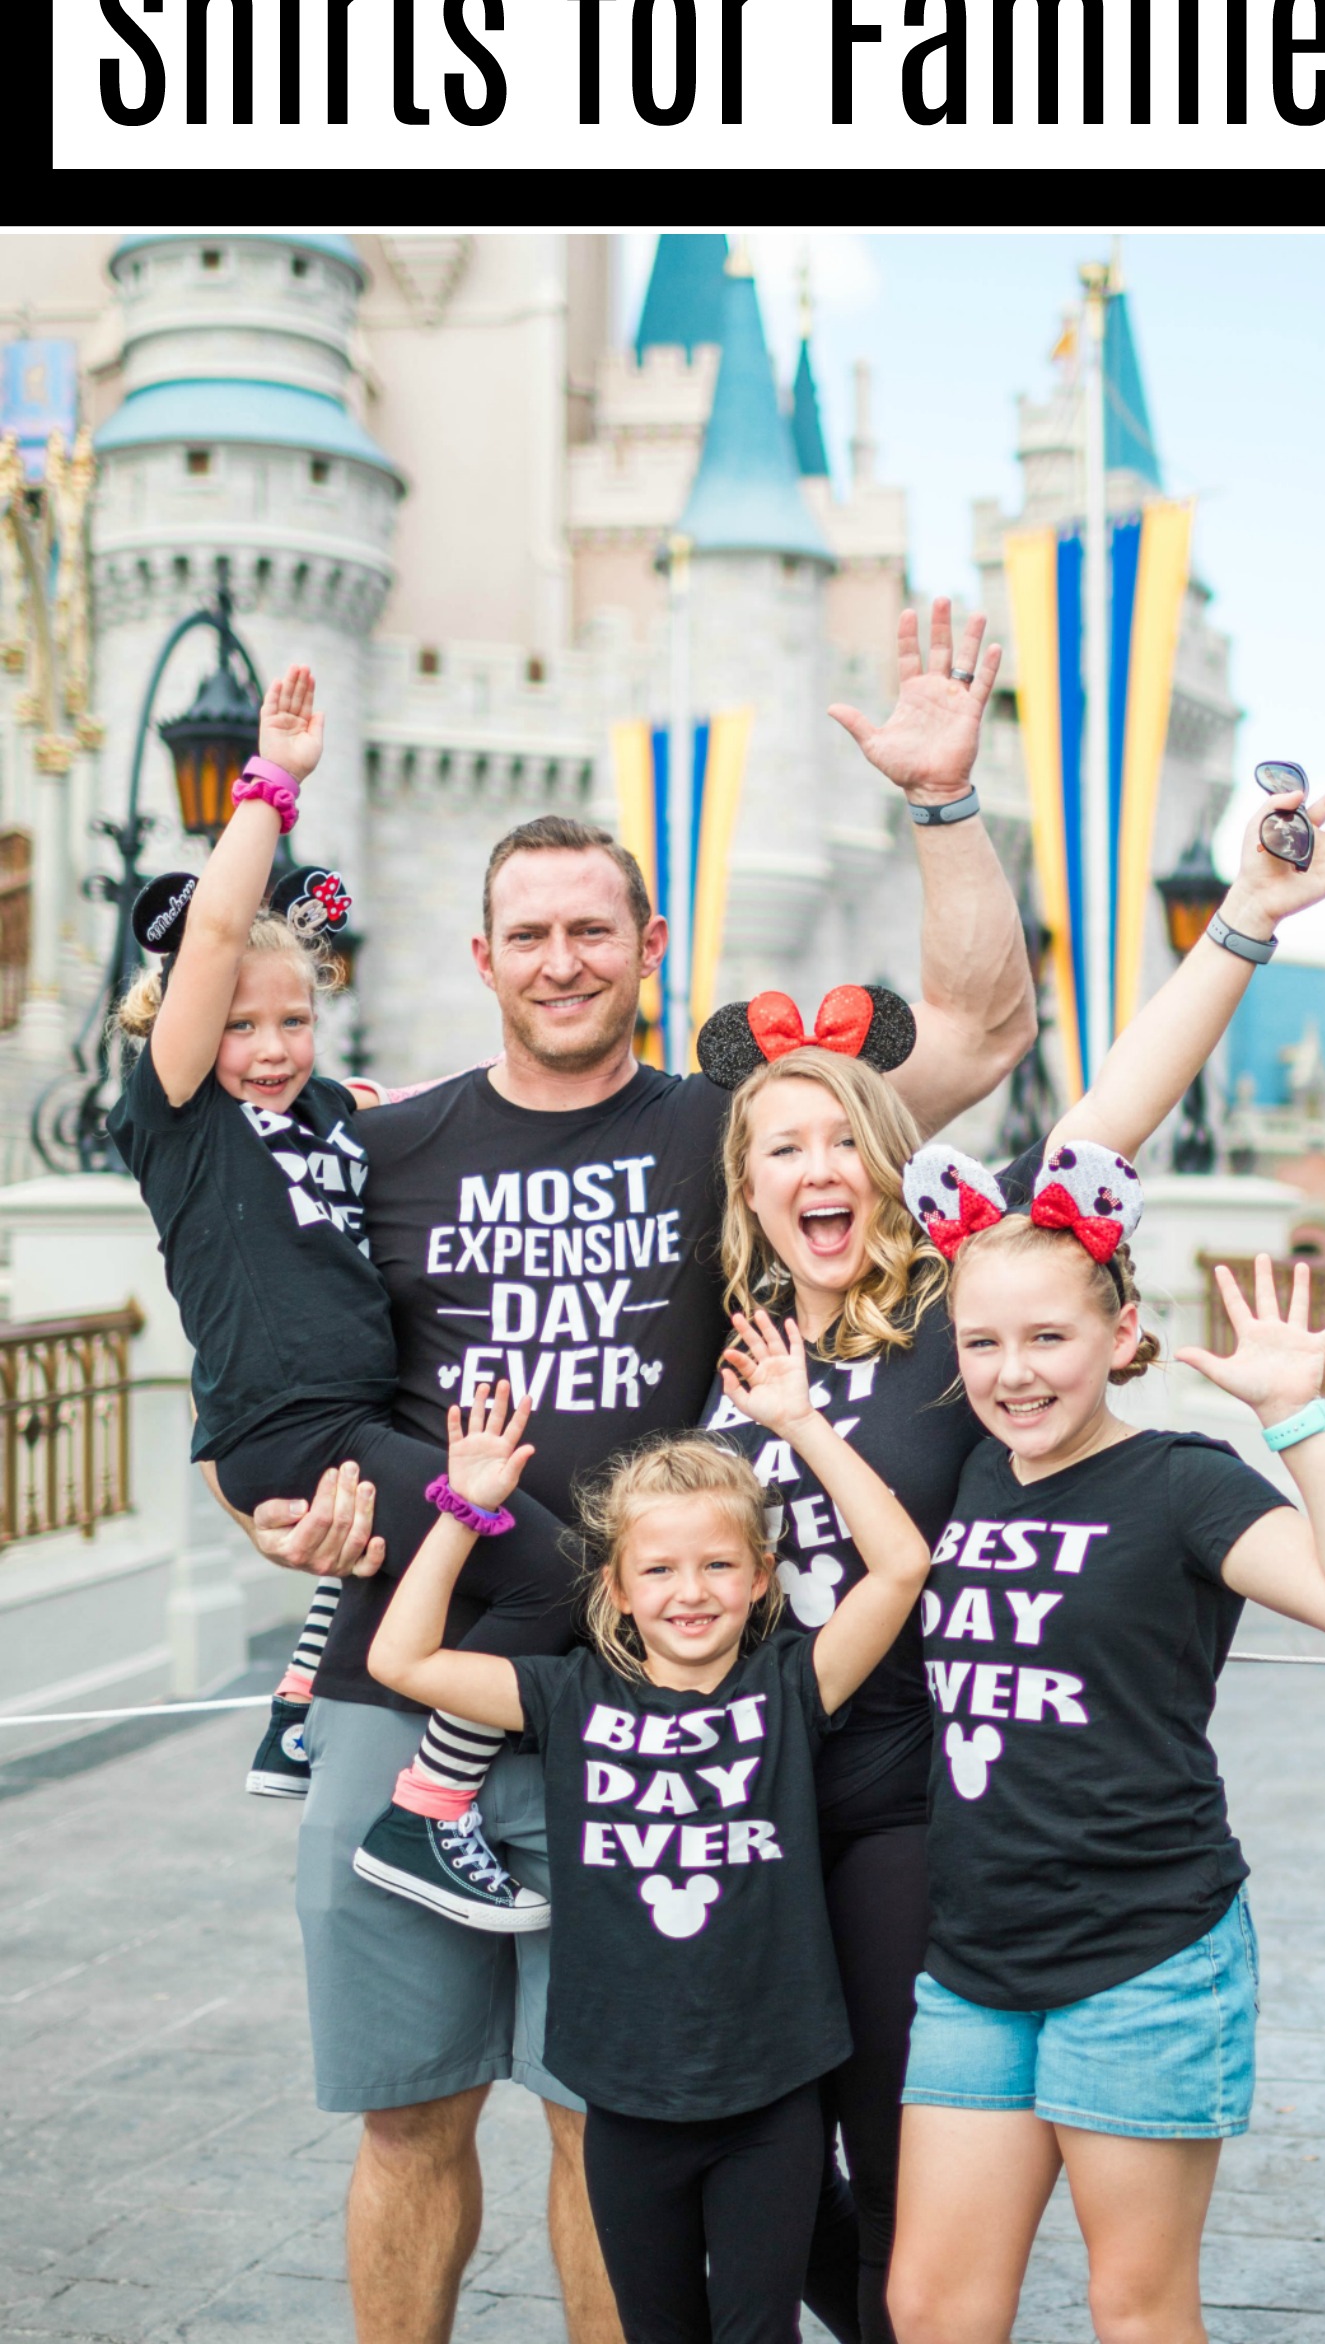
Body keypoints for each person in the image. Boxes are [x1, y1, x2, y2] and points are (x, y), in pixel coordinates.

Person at [214, 600, 1038, 2344]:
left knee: (622, 2115)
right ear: (482, 951)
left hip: (662, 1703)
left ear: (651, 943)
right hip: (411, 1673)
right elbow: (275, 1361)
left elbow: (977, 1029)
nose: (565, 958)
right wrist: (267, 1497)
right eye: (532, 933)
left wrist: (947, 806)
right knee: (409, 2111)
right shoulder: (385, 1139)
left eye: (597, 928)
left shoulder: (722, 1125)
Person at [694, 763, 1325, 2344]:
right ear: (741, 1186)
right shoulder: (727, 1345)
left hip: (986, 1864)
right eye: (775, 1149)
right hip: (816, 1841)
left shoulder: (968, 1329)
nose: (815, 1172)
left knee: (1062, 2288)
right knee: (849, 2238)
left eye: (842, 1145)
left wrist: (1241, 927)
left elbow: (1100, 1119)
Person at [886, 1037, 1325, 2324]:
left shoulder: (1182, 1482)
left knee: (1135, 2308)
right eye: (984, 1341)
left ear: (1123, 1329)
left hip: (1145, 1955)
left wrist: (1296, 1418)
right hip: (971, 1959)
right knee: (932, 2309)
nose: (1016, 1371)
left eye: (1050, 1337)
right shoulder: (961, 1472)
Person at [108, 663, 573, 1918]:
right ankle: (430, 1809)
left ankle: (298, 1708)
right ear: (185, 1028)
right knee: (548, 1575)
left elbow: (441, 1100)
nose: (268, 1047)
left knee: (422, 1501)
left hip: (342, 1417)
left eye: (293, 1019)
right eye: (240, 1024)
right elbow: (217, 935)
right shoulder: (180, 1120)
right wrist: (274, 786)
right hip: (291, 1427)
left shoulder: (322, 1112)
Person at [364, 1351, 930, 2344]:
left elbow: (901, 1566)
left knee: (759, 2331)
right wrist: (464, 1508)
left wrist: (800, 1423)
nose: (691, 1591)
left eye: (719, 1565)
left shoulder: (793, 1688)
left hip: (773, 2090)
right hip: (623, 2096)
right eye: (659, 1569)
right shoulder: (568, 1698)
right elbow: (399, 1658)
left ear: (762, 1579)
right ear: (618, 1589)